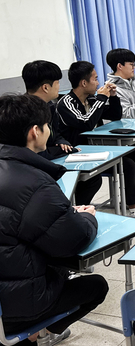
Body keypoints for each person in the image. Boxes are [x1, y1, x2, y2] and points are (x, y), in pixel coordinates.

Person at [0, 94, 108, 346]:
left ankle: (34, 335)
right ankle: (43, 330)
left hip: (6, 295)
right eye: (48, 126)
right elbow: (74, 239)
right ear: (35, 132)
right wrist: (85, 217)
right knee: (96, 286)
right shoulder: (34, 182)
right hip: (18, 303)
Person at [54, 61, 135, 215]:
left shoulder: (90, 99)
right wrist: (101, 98)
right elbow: (86, 123)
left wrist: (114, 97)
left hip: (101, 148)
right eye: (95, 79)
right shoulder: (67, 103)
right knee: (127, 164)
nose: (98, 83)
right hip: (80, 152)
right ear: (84, 82)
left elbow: (114, 116)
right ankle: (134, 208)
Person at [22, 60, 103, 206]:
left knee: (93, 178)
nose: (60, 86)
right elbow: (32, 152)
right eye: (57, 82)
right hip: (34, 167)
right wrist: (60, 150)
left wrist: (63, 143)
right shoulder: (24, 113)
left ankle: (73, 209)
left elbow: (56, 133)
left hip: (52, 158)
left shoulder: (50, 107)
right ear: (46, 87)